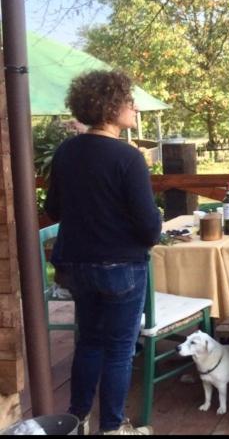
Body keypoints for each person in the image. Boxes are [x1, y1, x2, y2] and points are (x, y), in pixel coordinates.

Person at [45, 70, 162, 436]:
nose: (135, 107)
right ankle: (113, 428)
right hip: (120, 268)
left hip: (76, 266)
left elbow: (54, 209)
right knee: (119, 349)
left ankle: (77, 420)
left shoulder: (66, 151)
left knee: (89, 343)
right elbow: (149, 229)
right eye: (129, 101)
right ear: (111, 108)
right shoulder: (127, 157)